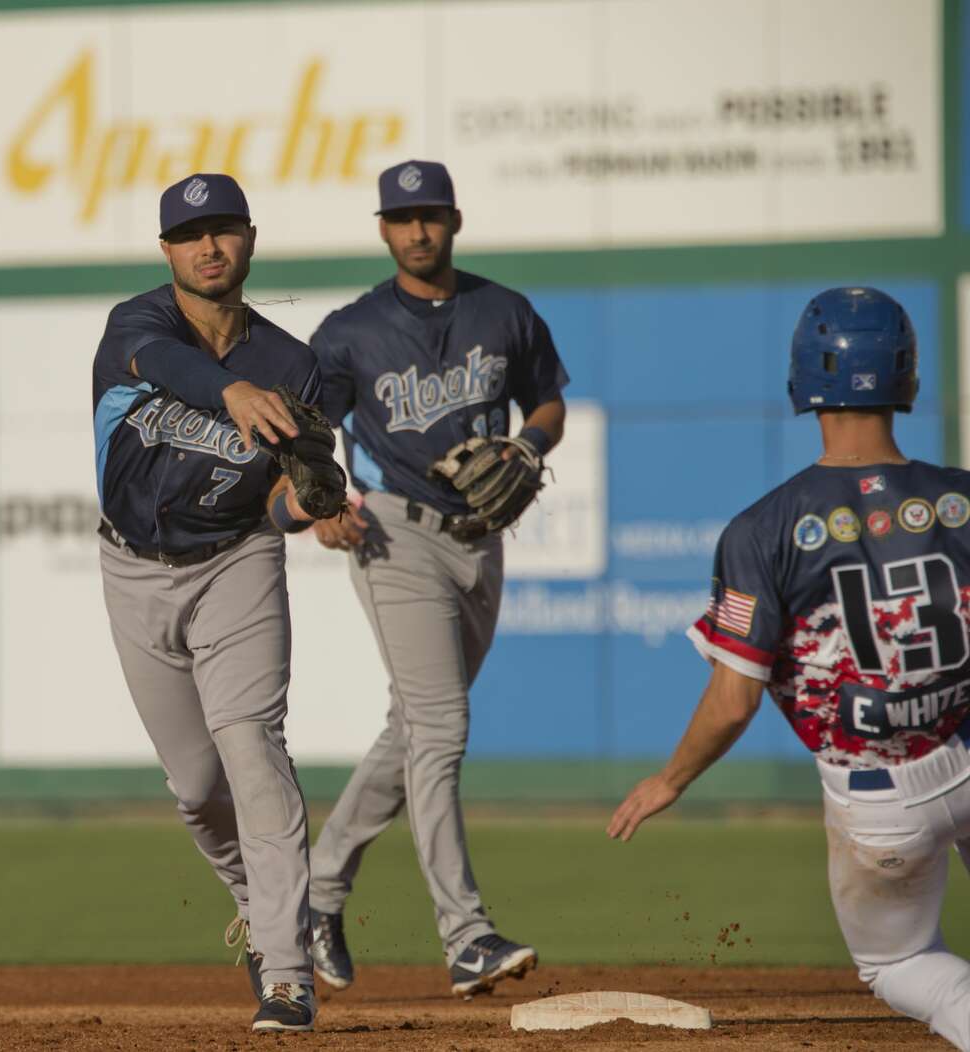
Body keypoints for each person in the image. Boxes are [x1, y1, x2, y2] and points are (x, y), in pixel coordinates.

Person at [609, 287, 970, 1051]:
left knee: (901, 960)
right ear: (906, 377)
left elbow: (734, 700)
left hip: (881, 801)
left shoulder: (763, 529)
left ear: (803, 381)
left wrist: (669, 779)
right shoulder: (963, 501)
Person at [305, 160, 568, 998]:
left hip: (481, 540)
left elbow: (549, 402)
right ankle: (466, 935)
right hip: (394, 534)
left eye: (430, 215)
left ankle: (316, 893)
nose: (417, 230)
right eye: (402, 217)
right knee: (443, 728)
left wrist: (529, 445)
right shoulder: (350, 330)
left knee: (415, 729)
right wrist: (323, 502)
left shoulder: (505, 312)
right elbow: (308, 432)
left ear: (455, 220)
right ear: (383, 230)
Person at [92, 172, 332, 1033]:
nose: (209, 246)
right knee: (196, 786)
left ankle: (288, 971)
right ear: (167, 251)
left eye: (224, 230)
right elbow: (159, 366)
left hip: (236, 562)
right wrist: (227, 391)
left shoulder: (295, 366)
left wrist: (303, 507)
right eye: (191, 234)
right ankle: (265, 911)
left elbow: (278, 501)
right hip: (130, 568)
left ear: (250, 241)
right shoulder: (138, 323)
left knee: (251, 749)